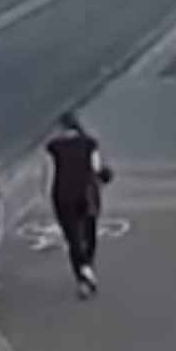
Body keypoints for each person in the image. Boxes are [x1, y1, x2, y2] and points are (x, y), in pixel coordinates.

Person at [44, 112, 113, 299]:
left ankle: (82, 276)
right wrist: (105, 176)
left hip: (62, 196)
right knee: (89, 233)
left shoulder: (53, 147)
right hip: (86, 195)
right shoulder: (90, 144)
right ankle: (87, 265)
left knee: (72, 237)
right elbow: (97, 170)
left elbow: (48, 173)